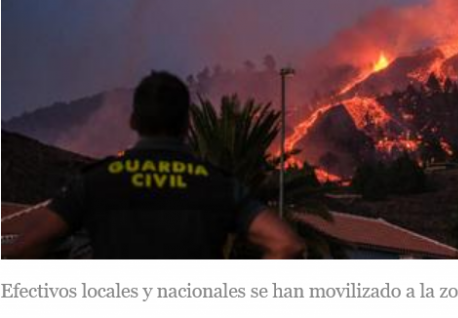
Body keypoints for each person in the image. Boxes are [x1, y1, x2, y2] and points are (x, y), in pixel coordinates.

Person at [3, 71, 305, 259]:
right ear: (188, 124)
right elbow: (287, 244)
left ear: (133, 121)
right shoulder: (218, 186)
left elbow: (22, 248)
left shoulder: (96, 183)